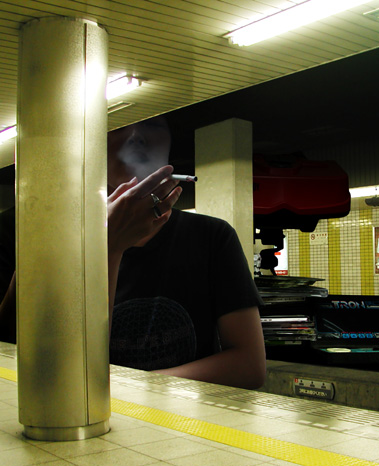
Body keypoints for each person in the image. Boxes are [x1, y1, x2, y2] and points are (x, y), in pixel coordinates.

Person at [0, 116, 266, 389]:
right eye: (117, 124)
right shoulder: (24, 230)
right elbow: (35, 361)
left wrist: (131, 389)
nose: (136, 135)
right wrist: (108, 244)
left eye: (152, 124)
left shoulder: (212, 236)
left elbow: (249, 367)